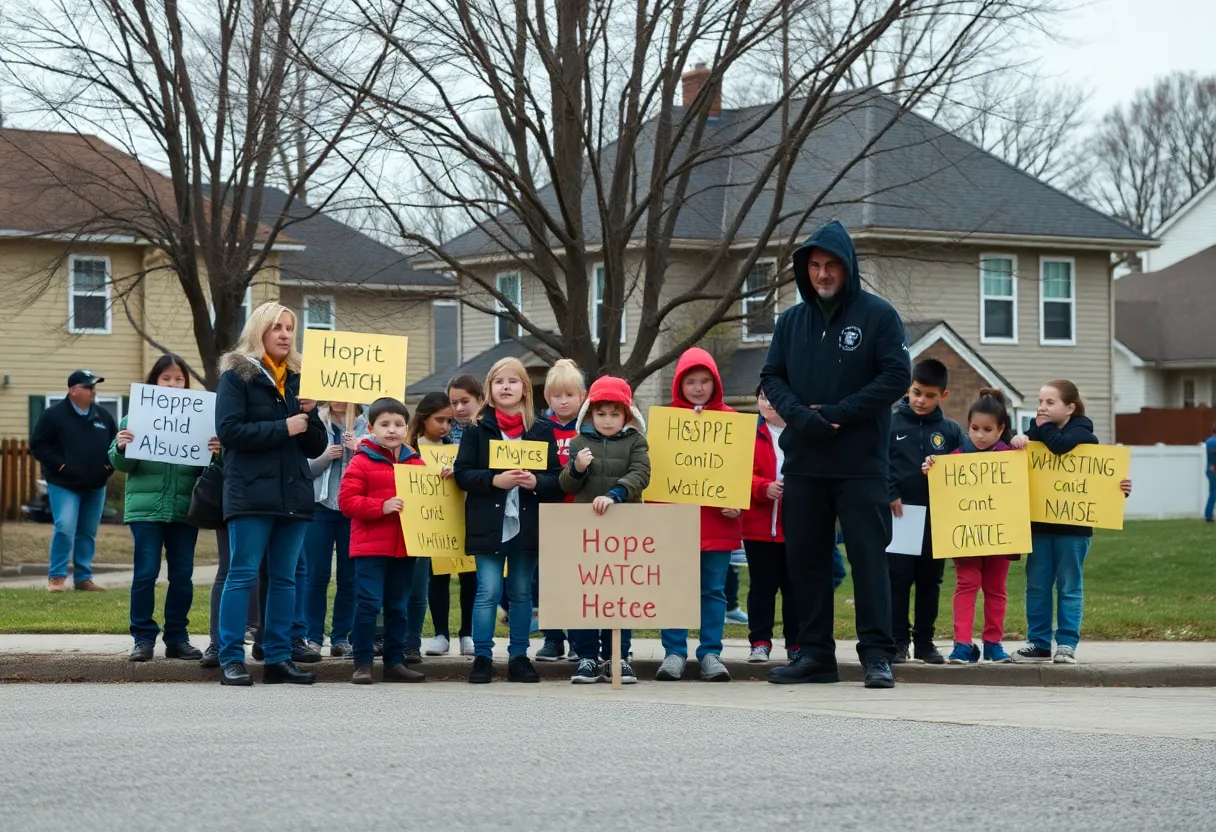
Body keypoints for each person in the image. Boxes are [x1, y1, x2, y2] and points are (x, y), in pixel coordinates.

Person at [760, 219, 911, 689]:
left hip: (861, 463)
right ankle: (816, 656)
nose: (823, 274)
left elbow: (895, 376)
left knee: (869, 560)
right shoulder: (791, 321)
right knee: (807, 562)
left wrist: (843, 412)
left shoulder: (878, 316)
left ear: (848, 268)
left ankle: (877, 656)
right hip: (805, 463)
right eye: (815, 266)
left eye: (831, 266)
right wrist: (801, 417)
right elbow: (771, 377)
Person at [213, 302, 328, 687]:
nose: (283, 334)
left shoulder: (299, 379)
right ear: (259, 331)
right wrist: (284, 426)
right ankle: (231, 658)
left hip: (293, 494)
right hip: (250, 494)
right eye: (276, 327)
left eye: (289, 328)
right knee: (242, 575)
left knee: (284, 580)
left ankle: (278, 658)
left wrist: (310, 416)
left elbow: (314, 446)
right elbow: (230, 433)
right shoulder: (237, 375)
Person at [453, 357, 563, 684]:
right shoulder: (477, 428)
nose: (506, 387)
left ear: (525, 390)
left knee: (520, 592)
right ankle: (483, 657)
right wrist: (493, 480)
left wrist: (536, 482)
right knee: (488, 590)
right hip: (490, 522)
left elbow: (556, 478)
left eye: (513, 381)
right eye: (499, 381)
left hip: (526, 523)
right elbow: (463, 474)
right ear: (489, 389)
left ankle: (519, 656)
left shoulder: (542, 430)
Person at [1010, 380, 1132, 665]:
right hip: (1040, 526)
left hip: (1074, 530)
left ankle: (1066, 643)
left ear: (1070, 408)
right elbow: (1017, 456)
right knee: (1037, 585)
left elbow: (1060, 447)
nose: (1042, 407)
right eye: (1040, 401)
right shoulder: (1037, 433)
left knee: (1069, 585)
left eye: (1050, 402)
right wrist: (1019, 441)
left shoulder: (1083, 433)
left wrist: (1118, 488)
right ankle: (1038, 643)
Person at [108, 355, 215, 662]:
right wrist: (121, 446)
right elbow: (122, 464)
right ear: (154, 381)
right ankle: (142, 638)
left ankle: (177, 638)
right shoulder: (134, 419)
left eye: (178, 379)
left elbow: (210, 469)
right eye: (166, 378)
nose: (172, 384)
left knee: (182, 575)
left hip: (185, 510)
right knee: (145, 573)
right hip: (146, 511)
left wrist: (216, 452)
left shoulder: (200, 420)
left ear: (186, 382)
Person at [655, 347, 742, 683]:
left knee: (713, 590)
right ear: (680, 384)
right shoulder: (667, 422)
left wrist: (739, 502)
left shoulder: (731, 421)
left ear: (715, 383)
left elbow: (743, 471)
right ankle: (674, 652)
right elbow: (657, 472)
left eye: (705, 381)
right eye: (690, 381)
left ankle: (710, 654)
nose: (698, 387)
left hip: (718, 522)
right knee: (675, 589)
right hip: (677, 525)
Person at [559, 375, 651, 684]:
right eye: (601, 413)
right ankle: (586, 657)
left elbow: (641, 473)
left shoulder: (636, 441)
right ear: (590, 413)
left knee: (619, 595)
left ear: (627, 415)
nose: (608, 420)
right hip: (587, 530)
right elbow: (567, 484)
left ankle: (618, 657)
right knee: (588, 594)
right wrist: (577, 468)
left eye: (615, 413)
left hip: (625, 529)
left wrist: (616, 494)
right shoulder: (579, 443)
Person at [922, 388, 1018, 664]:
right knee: (967, 583)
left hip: (1001, 535)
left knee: (996, 588)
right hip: (965, 536)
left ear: (1001, 430)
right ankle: (962, 644)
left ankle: (993, 644)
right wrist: (931, 466)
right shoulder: (955, 457)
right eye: (974, 428)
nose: (979, 435)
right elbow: (939, 481)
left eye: (987, 429)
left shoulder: (1011, 458)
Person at [338, 397, 428, 684]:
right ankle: (362, 663)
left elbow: (429, 497)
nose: (392, 430)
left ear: (407, 427)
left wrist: (444, 480)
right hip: (370, 548)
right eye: (385, 424)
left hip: (405, 548)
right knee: (367, 604)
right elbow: (347, 502)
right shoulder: (361, 461)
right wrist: (381, 506)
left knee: (397, 607)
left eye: (399, 424)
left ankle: (394, 662)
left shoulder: (417, 462)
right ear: (370, 427)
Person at [887, 359, 961, 665]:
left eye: (930, 396)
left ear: (943, 396)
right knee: (898, 580)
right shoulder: (889, 424)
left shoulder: (951, 431)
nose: (921, 400)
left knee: (931, 582)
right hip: (901, 517)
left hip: (936, 520)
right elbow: (877, 462)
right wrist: (890, 492)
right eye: (917, 392)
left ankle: (925, 642)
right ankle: (898, 642)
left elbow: (966, 470)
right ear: (908, 387)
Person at [31, 369, 117, 592]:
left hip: (96, 484)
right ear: (73, 390)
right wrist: (60, 466)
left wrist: (108, 468)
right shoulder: (53, 415)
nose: (93, 391)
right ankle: (57, 577)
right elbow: (38, 445)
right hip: (64, 484)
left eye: (94, 387)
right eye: (88, 387)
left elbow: (116, 447)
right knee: (65, 527)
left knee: (87, 531)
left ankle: (83, 578)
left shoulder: (103, 417)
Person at [424, 374, 484, 658]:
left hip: (475, 511)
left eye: (465, 401)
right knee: (439, 574)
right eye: (453, 402)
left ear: (479, 400)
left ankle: (467, 633)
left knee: (470, 573)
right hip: (442, 511)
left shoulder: (487, 429)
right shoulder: (441, 434)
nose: (458, 408)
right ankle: (440, 633)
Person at [303, 402, 366, 658]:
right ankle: (313, 637)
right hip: (320, 508)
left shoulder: (368, 422)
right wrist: (325, 456)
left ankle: (341, 637)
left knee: (349, 577)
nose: (339, 397)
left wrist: (360, 449)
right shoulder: (316, 421)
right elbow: (304, 469)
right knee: (316, 576)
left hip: (352, 511)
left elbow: (381, 463)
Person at [743, 384, 799, 663]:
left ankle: (796, 644)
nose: (769, 403)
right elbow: (739, 473)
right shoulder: (749, 437)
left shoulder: (800, 435)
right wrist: (763, 488)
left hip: (795, 529)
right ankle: (760, 642)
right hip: (759, 528)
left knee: (794, 588)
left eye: (774, 396)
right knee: (762, 588)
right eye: (763, 397)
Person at [536, 358, 586, 662]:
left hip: (582, 514)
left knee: (580, 579)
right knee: (550, 579)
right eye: (557, 395)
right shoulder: (540, 429)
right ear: (547, 398)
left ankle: (581, 640)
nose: (563, 401)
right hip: (549, 514)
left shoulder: (591, 429)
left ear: (581, 396)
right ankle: (553, 638)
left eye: (569, 394)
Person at [403, 392, 455, 662]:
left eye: (449, 421)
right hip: (408, 524)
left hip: (439, 527)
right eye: (440, 420)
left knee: (420, 589)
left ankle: (412, 642)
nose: (445, 426)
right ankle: (394, 639)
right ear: (423, 419)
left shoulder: (454, 450)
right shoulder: (407, 449)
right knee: (404, 587)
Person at [1205, 424, 1216, 523]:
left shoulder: (1208, 441)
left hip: (1209, 470)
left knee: (1212, 492)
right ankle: (1208, 515)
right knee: (1213, 493)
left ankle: (1209, 514)